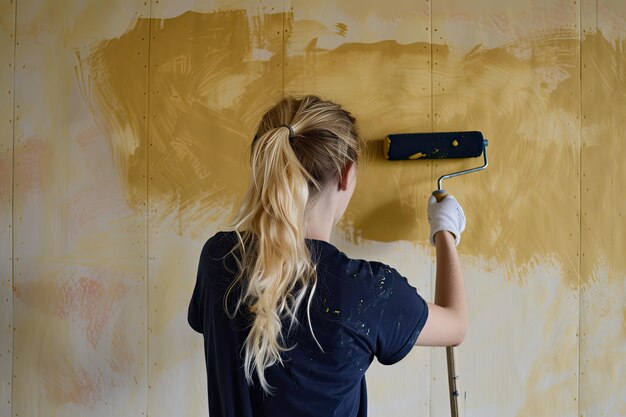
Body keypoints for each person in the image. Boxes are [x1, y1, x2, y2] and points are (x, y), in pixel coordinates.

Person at [188, 95, 467, 417]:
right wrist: (445, 231)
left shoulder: (219, 258)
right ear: (347, 174)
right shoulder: (366, 291)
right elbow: (455, 326)